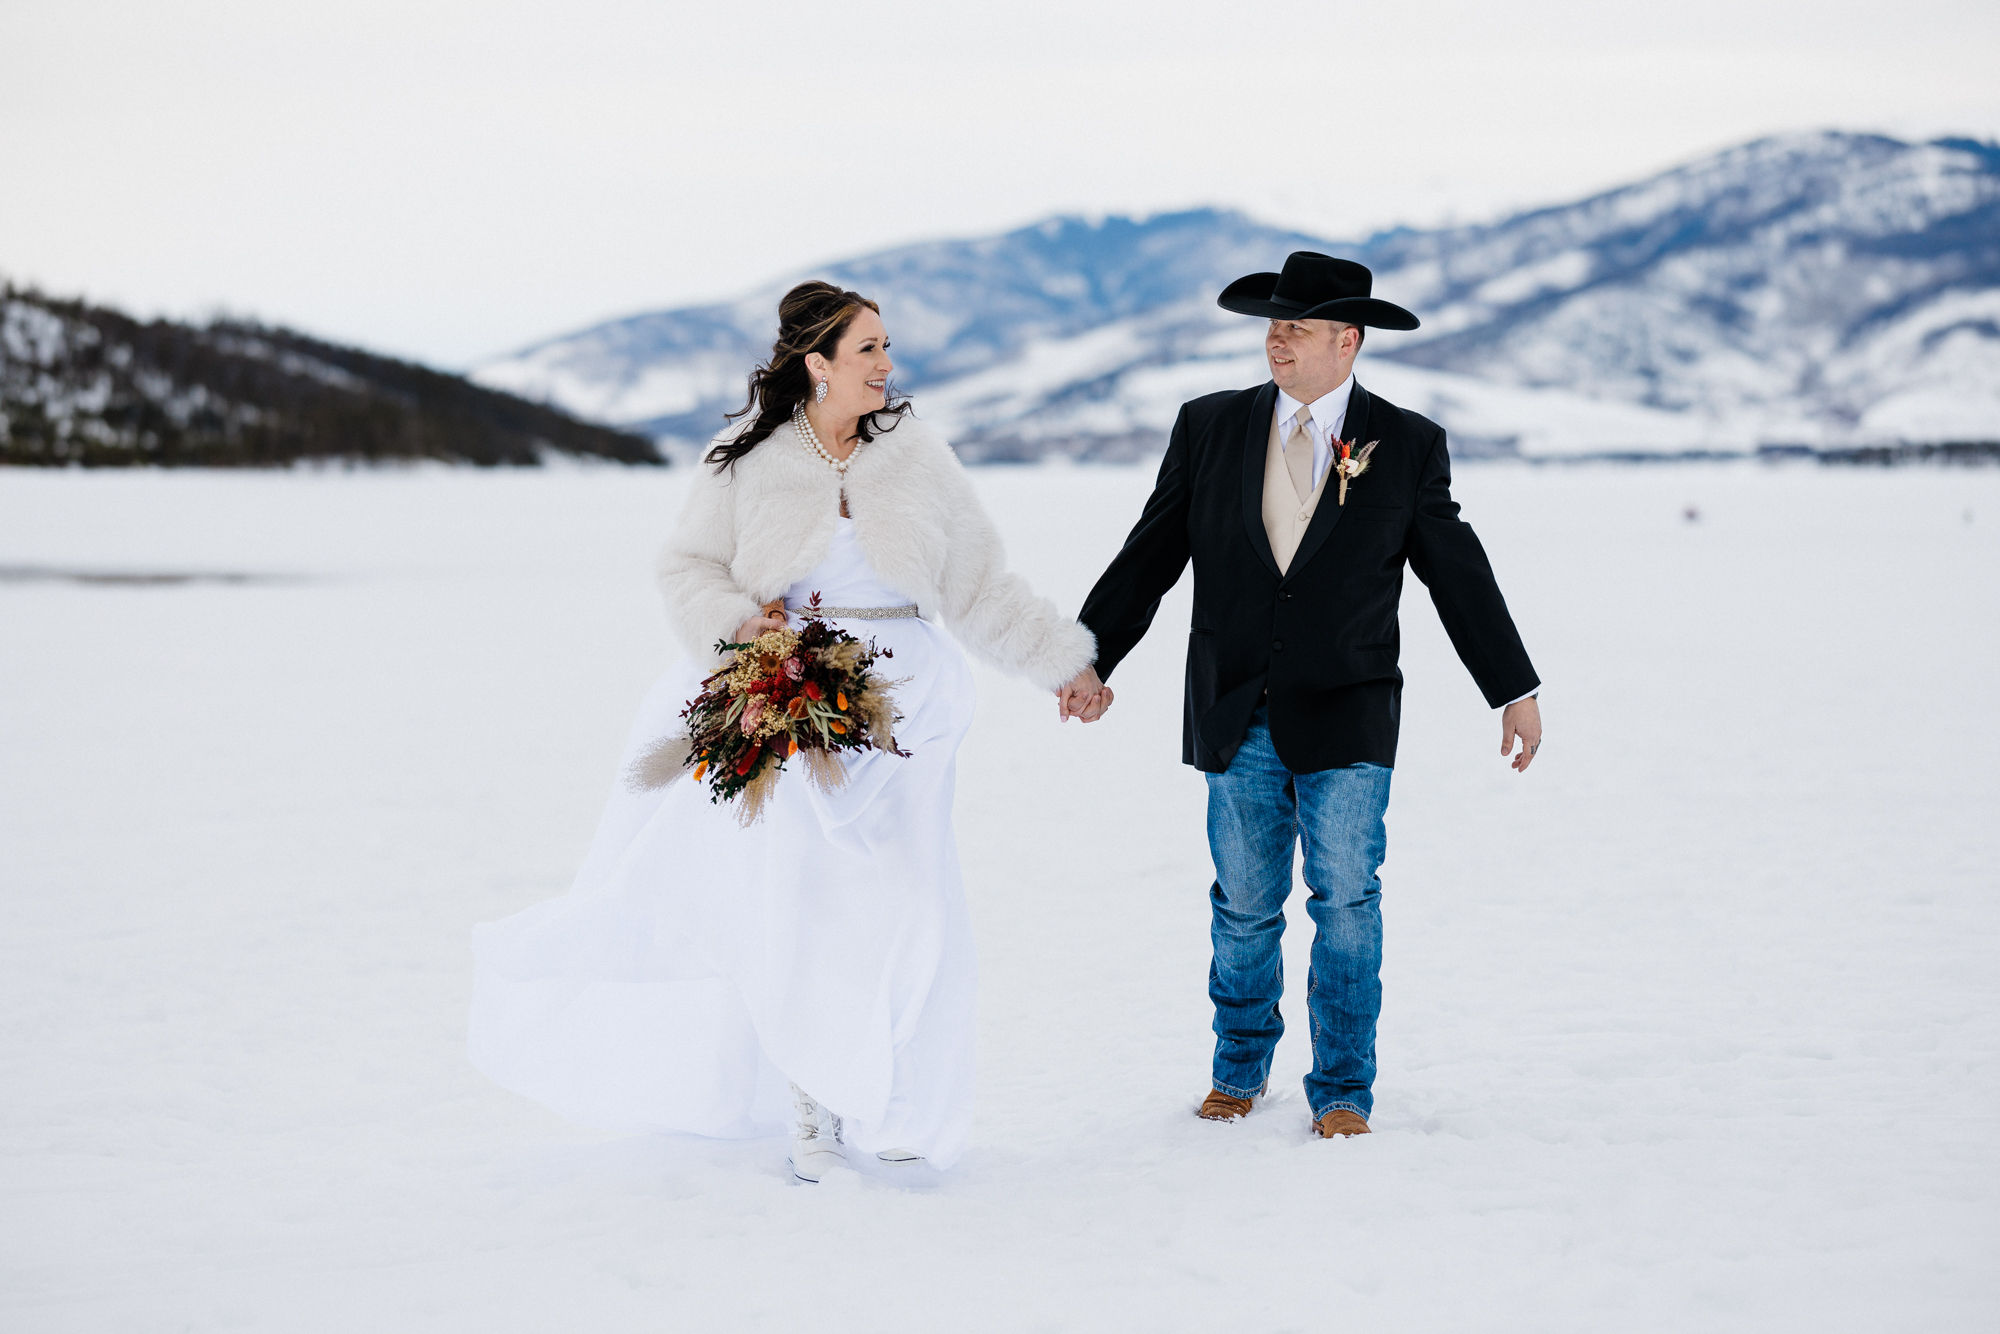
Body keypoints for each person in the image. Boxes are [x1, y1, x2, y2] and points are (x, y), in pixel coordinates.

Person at [469, 282, 1094, 1181]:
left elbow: (980, 584)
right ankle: (816, 1112)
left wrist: (1062, 663)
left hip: (910, 710)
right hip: (799, 702)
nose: (887, 364)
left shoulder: (917, 453)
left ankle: (900, 1100)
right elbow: (685, 565)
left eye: (887, 347)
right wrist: (740, 626)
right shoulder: (744, 457)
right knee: (809, 904)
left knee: (914, 903)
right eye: (868, 350)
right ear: (817, 364)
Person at [1057, 252, 1543, 1138]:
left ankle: (1345, 1090)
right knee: (1242, 908)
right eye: (1272, 323)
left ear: (1347, 341)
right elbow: (1151, 552)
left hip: (1350, 710)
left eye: (1299, 325)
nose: (1277, 338)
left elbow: (1457, 574)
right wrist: (1089, 656)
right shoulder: (1208, 426)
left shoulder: (1407, 444)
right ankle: (1238, 1074)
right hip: (1234, 706)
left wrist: (1511, 687)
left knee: (1347, 902)